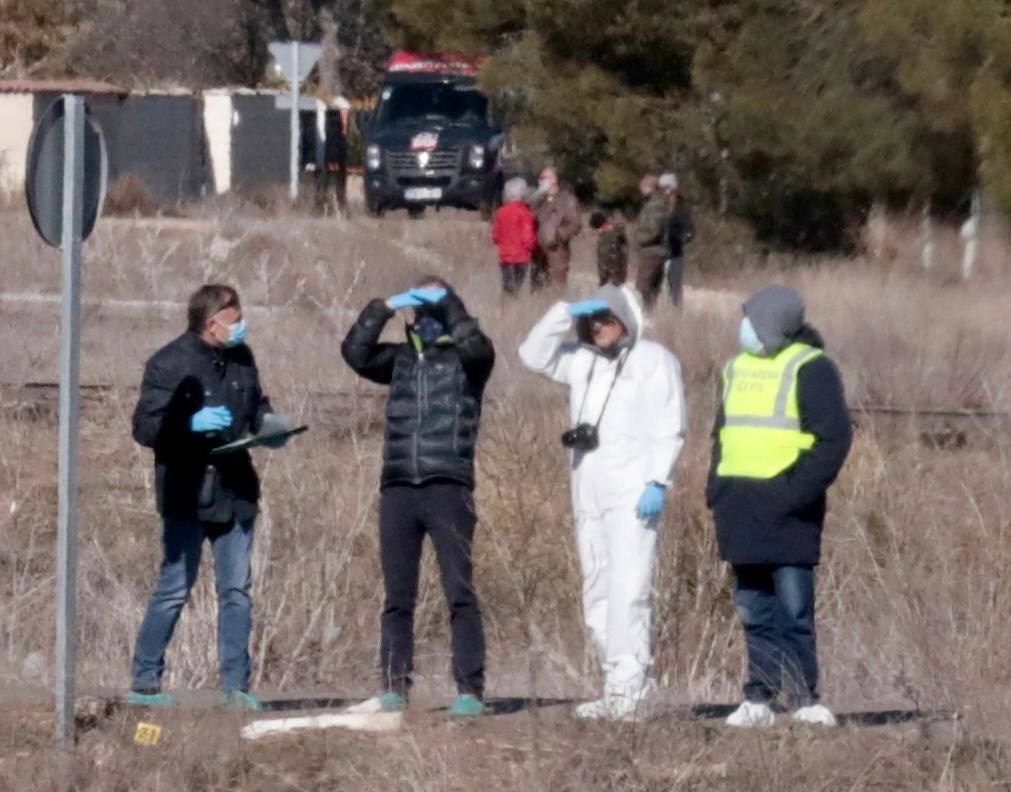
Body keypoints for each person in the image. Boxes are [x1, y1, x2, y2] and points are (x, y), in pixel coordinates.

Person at [519, 284, 686, 721]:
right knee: (596, 589)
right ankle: (617, 686)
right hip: (587, 491)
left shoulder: (654, 360)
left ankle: (631, 689)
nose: (599, 327)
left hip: (633, 494)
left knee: (628, 591)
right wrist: (564, 310)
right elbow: (532, 354)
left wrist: (658, 481)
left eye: (607, 318)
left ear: (626, 320)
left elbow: (671, 425)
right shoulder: (581, 361)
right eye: (592, 320)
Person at [128, 285, 291, 711]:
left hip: (236, 493)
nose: (242, 327)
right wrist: (188, 423)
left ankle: (235, 688)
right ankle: (145, 685)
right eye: (235, 320)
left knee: (236, 591)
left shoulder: (243, 358)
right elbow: (145, 427)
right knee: (174, 587)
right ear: (211, 322)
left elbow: (257, 406)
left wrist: (271, 426)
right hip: (187, 493)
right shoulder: (168, 363)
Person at [341, 277, 495, 718]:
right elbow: (355, 352)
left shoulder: (471, 361)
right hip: (399, 487)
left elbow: (474, 343)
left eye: (433, 312)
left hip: (449, 486)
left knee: (459, 590)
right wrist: (383, 305)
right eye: (420, 311)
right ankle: (393, 687)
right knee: (397, 596)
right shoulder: (401, 360)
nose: (426, 321)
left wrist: (449, 300)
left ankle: (469, 689)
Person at [706, 285, 852, 728]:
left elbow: (833, 440)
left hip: (788, 514)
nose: (744, 327)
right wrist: (716, 489)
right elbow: (722, 435)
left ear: (772, 324)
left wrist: (791, 495)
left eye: (751, 318)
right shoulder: (735, 369)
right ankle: (759, 696)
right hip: (739, 509)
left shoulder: (813, 368)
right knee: (753, 609)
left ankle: (805, 698)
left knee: (793, 611)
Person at [530, 166, 582, 290]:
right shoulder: (538, 201)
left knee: (556, 290)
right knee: (537, 290)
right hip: (537, 254)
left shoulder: (567, 200)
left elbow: (576, 224)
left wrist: (558, 235)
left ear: (554, 180)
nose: (540, 181)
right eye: (539, 178)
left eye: (544, 178)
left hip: (557, 253)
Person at [491, 177, 538, 296]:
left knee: (507, 288)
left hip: (505, 257)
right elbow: (528, 239)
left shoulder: (501, 212)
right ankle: (513, 311)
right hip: (520, 258)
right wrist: (535, 246)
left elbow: (495, 237)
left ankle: (505, 310)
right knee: (516, 289)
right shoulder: (525, 213)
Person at [634, 174, 671, 309]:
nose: (641, 190)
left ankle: (645, 317)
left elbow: (654, 230)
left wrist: (639, 239)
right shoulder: (657, 204)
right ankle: (649, 316)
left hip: (652, 253)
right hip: (655, 252)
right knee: (649, 290)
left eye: (642, 187)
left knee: (643, 288)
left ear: (649, 188)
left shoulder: (655, 206)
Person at [658, 172, 694, 307]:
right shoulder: (659, 206)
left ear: (673, 188)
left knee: (675, 291)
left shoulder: (682, 208)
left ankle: (675, 317)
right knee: (661, 289)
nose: (664, 191)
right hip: (659, 254)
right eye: (661, 188)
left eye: (666, 188)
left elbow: (690, 231)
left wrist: (678, 240)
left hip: (674, 255)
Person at [315, 97, 351, 216]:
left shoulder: (330, 124)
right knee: (332, 186)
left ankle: (331, 208)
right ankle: (331, 208)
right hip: (333, 158)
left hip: (334, 159)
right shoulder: (333, 124)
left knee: (332, 186)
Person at [590, 209, 628, 287]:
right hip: (617, 279)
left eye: (596, 230)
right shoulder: (615, 233)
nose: (596, 233)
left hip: (611, 281)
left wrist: (603, 281)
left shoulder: (607, 237)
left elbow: (606, 261)